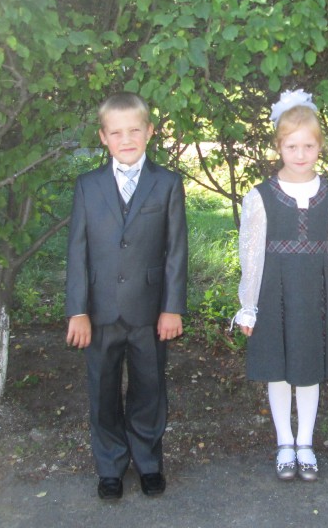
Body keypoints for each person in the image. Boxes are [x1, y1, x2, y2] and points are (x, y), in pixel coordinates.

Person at [65, 92, 188, 501]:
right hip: (99, 311)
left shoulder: (167, 184)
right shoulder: (88, 186)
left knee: (149, 388)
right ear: (103, 137)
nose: (127, 139)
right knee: (102, 391)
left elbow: (176, 251)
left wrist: (172, 307)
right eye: (116, 133)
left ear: (149, 131)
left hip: (149, 310)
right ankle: (110, 466)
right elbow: (77, 251)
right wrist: (77, 311)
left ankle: (149, 462)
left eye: (135, 130)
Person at [233, 89, 328, 482]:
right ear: (278, 146)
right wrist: (248, 306)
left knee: (308, 368)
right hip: (274, 292)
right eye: (292, 146)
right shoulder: (261, 196)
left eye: (308, 146)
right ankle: (284, 441)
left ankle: (305, 442)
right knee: (279, 369)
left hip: (314, 293)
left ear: (320, 147)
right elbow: (251, 254)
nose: (300, 154)